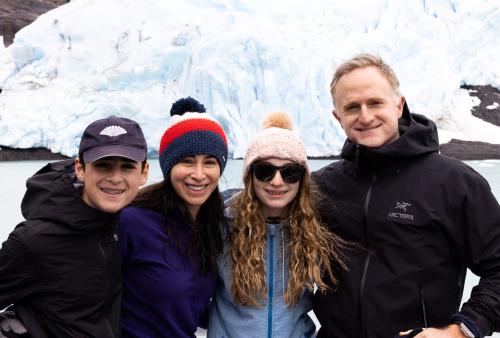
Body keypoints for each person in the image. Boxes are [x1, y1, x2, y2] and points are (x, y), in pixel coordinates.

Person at [312, 53, 500, 338]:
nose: (365, 116)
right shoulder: (324, 185)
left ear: (399, 105)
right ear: (338, 117)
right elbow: (263, 211)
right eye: (352, 107)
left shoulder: (454, 183)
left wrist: (462, 330)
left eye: (375, 102)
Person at [0, 115, 149, 337]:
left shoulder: (119, 224)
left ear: (144, 173)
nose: (116, 178)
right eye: (103, 166)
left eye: (127, 167)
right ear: (80, 168)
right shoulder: (35, 241)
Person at [208, 111, 346, 338]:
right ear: (250, 175)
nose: (277, 181)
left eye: (290, 172)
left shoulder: (315, 230)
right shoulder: (221, 225)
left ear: (303, 178)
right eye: (265, 171)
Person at [119, 98, 229, 337]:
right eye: (187, 161)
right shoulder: (132, 222)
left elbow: (187, 306)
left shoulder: (210, 225)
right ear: (169, 167)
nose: (199, 174)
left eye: (209, 162)